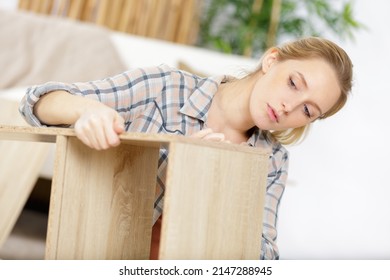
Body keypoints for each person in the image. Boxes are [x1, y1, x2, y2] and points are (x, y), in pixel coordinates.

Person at [19, 36, 353, 259]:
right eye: (294, 83)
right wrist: (86, 111)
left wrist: (212, 197)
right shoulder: (164, 88)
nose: (288, 107)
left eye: (307, 110)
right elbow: (37, 102)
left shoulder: (272, 159)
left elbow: (264, 255)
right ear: (271, 60)